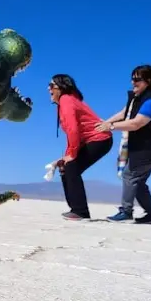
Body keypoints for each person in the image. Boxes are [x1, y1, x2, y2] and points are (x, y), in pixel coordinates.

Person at [95, 65, 151, 224]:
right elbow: (124, 113)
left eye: (138, 79)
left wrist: (111, 127)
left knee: (130, 175)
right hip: (140, 147)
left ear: (148, 81)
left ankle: (126, 211)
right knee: (138, 181)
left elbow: (137, 123)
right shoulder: (136, 97)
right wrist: (106, 122)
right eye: (132, 78)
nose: (133, 82)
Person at [48, 74, 113, 220]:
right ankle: (76, 210)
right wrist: (66, 156)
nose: (49, 89)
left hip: (100, 139)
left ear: (61, 88)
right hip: (92, 141)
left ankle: (80, 211)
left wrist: (71, 154)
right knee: (66, 166)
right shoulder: (66, 101)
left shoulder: (66, 100)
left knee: (72, 166)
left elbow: (73, 129)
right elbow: (73, 134)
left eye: (52, 86)